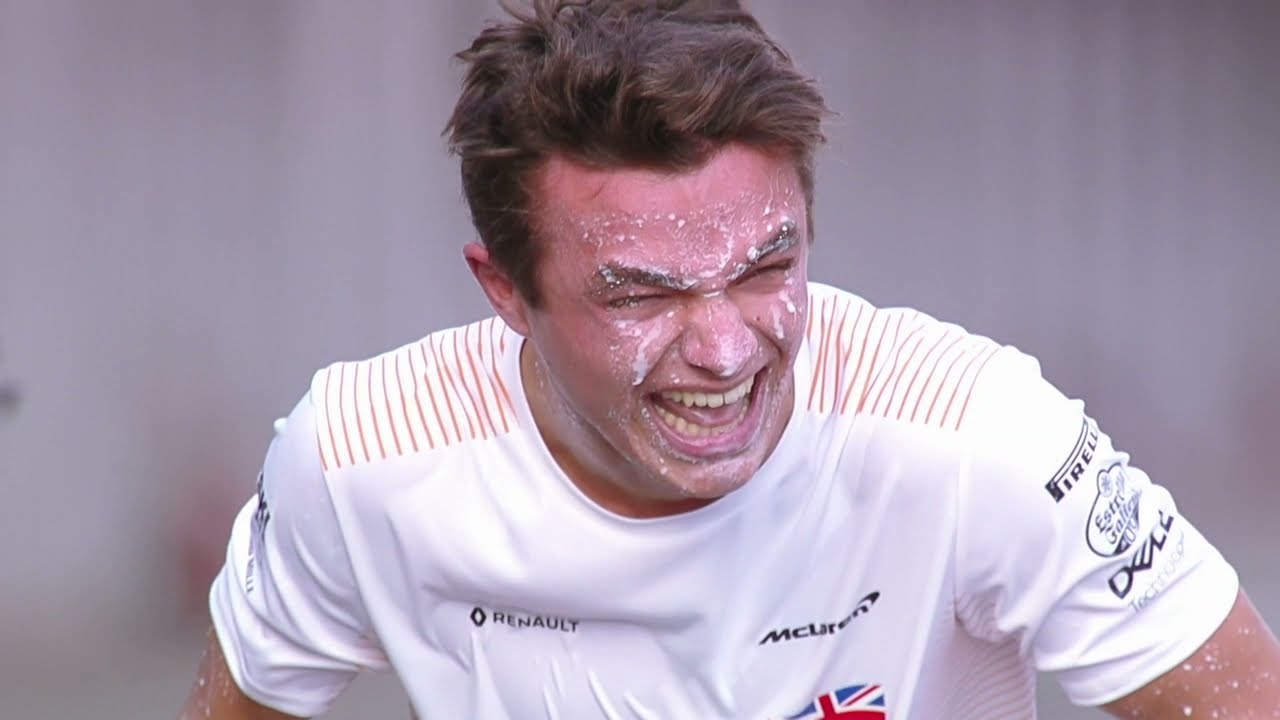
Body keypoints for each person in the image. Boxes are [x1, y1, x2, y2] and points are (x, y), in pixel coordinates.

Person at [179, 1, 1280, 718]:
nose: (720, 349)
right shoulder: (359, 462)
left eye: (765, 268)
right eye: (638, 294)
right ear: (504, 289)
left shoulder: (977, 439)